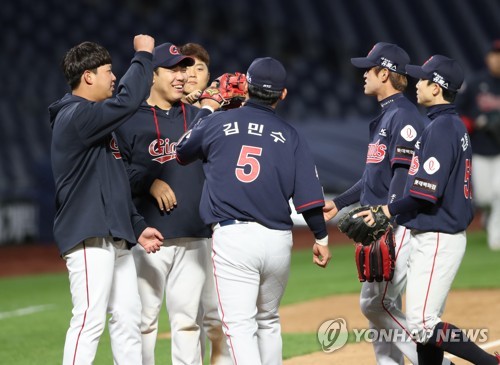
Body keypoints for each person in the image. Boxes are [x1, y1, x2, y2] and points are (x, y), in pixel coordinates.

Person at [176, 57, 332, 365]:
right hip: (277, 240)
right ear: (282, 95)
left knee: (239, 327)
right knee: (268, 320)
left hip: (234, 238)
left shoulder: (218, 122)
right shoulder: (291, 135)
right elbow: (310, 199)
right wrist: (322, 238)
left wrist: (208, 107)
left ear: (246, 86)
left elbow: (182, 152)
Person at [362, 55, 500, 365]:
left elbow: (425, 193)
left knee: (423, 324)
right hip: (438, 233)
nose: (417, 83)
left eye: (423, 79)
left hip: (438, 233)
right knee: (425, 322)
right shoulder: (448, 124)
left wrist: (387, 211)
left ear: (436, 88)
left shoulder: (442, 128)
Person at [48, 35, 164, 365]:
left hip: (115, 236)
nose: (114, 77)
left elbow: (114, 183)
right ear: (88, 76)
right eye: (109, 70)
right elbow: (128, 101)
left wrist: (137, 226)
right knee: (89, 320)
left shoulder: (97, 126)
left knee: (129, 319)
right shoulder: (76, 117)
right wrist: (143, 55)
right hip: (87, 234)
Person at [114, 42, 230, 365]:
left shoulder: (200, 117)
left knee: (187, 322)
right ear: (152, 76)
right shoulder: (128, 119)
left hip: (195, 234)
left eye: (184, 68)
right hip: (147, 236)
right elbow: (114, 173)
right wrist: (147, 181)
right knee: (143, 322)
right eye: (174, 69)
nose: (182, 76)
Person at [323, 42, 438, 365]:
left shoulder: (403, 117)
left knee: (376, 305)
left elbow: (402, 175)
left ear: (384, 73)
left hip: (393, 223)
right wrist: (341, 202)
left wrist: (385, 216)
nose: (363, 75)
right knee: (379, 308)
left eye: (368, 69)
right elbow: (375, 175)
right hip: (382, 219)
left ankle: (435, 361)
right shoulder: (389, 115)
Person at [178, 41, 233, 364]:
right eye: (186, 67)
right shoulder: (169, 111)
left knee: (217, 317)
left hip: (216, 227)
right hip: (180, 226)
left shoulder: (226, 112)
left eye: (200, 68)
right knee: (187, 319)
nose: (194, 73)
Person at [456, 39, 500, 251]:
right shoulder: (475, 84)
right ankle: (489, 215)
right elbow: (458, 114)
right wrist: (477, 121)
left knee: (499, 191)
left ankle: (496, 236)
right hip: (481, 149)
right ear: (488, 58)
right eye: (495, 54)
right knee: (484, 197)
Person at [179, 42, 211, 107]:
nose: (192, 74)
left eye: (199, 69)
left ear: (208, 77)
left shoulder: (221, 111)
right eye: (186, 69)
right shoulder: (163, 110)